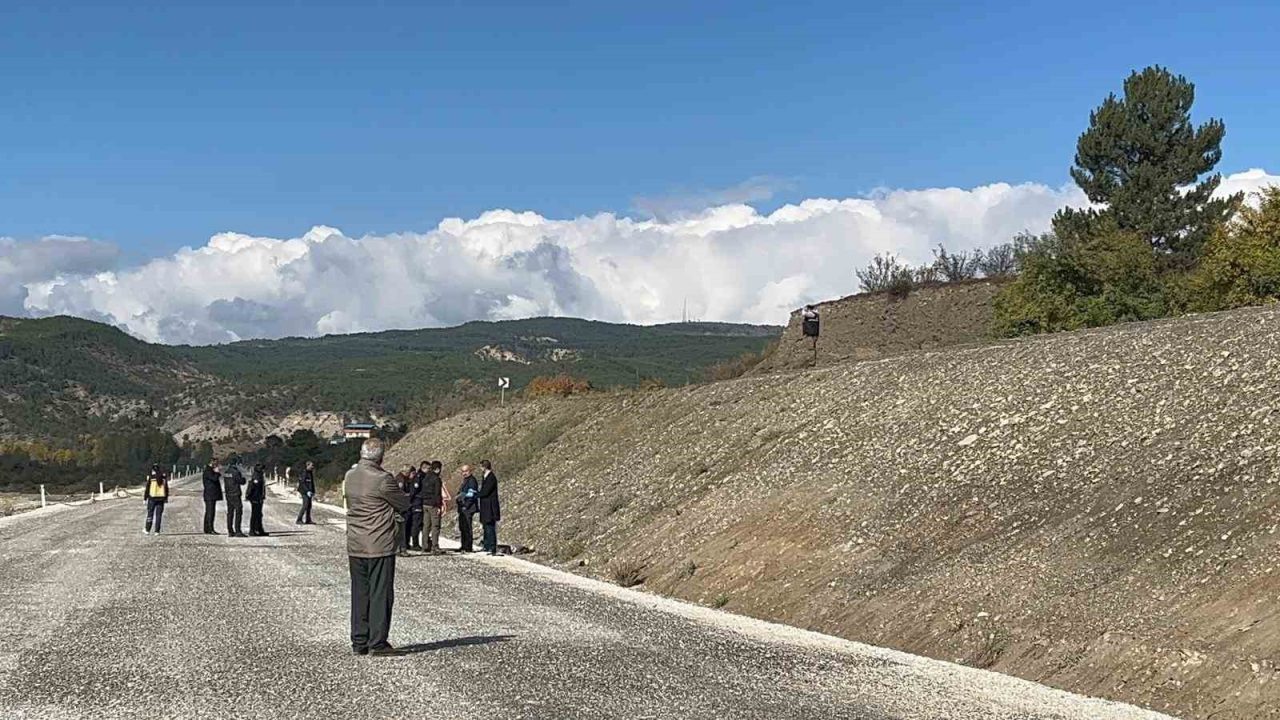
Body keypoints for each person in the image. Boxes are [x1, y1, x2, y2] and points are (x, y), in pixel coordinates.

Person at [345, 437, 410, 656]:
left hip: (355, 542)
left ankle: (359, 640)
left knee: (359, 593)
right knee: (380, 593)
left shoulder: (349, 476)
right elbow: (403, 503)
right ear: (381, 456)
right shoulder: (383, 479)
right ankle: (378, 642)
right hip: (379, 542)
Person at [420, 460, 447, 554]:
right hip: (433, 505)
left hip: (425, 504)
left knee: (426, 526)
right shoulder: (436, 479)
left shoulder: (426, 477)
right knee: (435, 526)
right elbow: (437, 494)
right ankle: (435, 547)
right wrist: (439, 506)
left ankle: (425, 546)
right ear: (438, 469)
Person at [477, 459, 501, 555]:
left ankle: (492, 547)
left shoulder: (491, 477)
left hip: (490, 506)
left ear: (484, 467)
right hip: (485, 506)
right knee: (485, 526)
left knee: (490, 526)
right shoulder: (485, 477)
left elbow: (486, 491)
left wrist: (477, 494)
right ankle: (486, 545)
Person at [455, 465, 479, 553]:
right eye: (463, 471)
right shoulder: (465, 480)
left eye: (466, 471)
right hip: (463, 507)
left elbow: (471, 495)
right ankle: (464, 545)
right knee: (462, 527)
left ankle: (468, 546)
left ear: (470, 471)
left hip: (468, 508)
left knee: (467, 527)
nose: (464, 473)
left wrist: (466, 505)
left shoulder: (472, 481)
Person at [143, 464, 170, 535]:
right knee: (159, 515)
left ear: (153, 470)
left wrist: (145, 498)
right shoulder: (163, 477)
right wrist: (166, 498)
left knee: (150, 514)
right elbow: (166, 488)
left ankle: (147, 529)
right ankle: (157, 531)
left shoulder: (151, 477)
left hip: (152, 497)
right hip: (161, 498)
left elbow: (147, 488)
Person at [405, 464, 425, 551]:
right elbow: (413, 492)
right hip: (415, 504)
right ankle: (415, 543)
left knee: (410, 525)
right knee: (415, 525)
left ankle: (407, 543)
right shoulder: (416, 480)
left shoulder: (412, 479)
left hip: (411, 505)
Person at [223, 462, 247, 537]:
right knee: (238, 512)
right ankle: (238, 531)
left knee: (230, 512)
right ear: (236, 464)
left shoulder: (226, 472)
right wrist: (244, 479)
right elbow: (241, 481)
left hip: (228, 494)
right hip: (235, 494)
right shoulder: (236, 472)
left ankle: (230, 531)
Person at [247, 462, 269, 537]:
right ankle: (252, 530)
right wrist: (254, 497)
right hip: (255, 498)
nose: (263, 470)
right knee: (255, 514)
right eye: (262, 468)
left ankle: (259, 529)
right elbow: (254, 488)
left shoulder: (258, 475)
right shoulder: (257, 476)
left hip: (258, 497)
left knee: (259, 514)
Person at [201, 460, 223, 535]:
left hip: (210, 494)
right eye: (215, 464)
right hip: (210, 495)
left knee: (209, 512)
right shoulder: (208, 471)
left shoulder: (209, 470)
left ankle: (207, 528)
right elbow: (214, 479)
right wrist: (217, 472)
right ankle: (210, 529)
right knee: (210, 512)